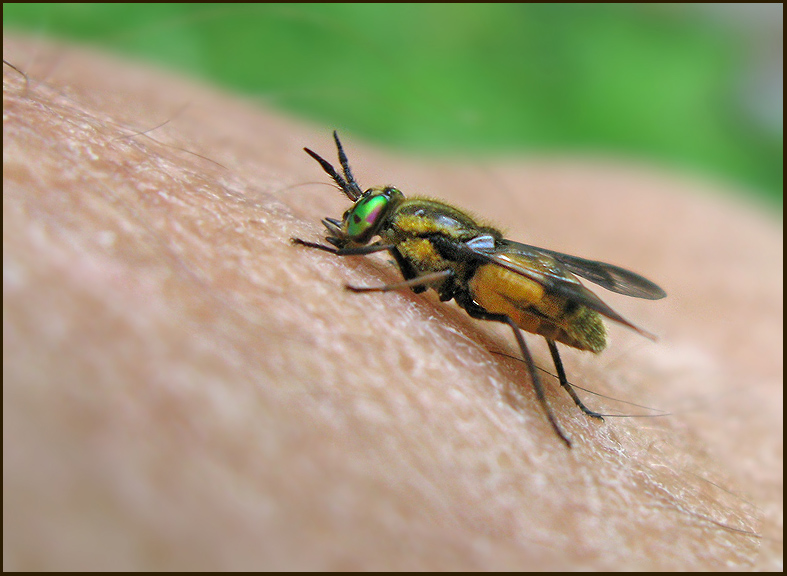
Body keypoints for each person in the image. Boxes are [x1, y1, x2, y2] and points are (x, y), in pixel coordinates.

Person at [3, 36, 781, 569]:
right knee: (508, 297)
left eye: (366, 218)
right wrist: (348, 245)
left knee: (522, 306)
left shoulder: (431, 243)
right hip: (495, 270)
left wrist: (358, 269)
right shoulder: (413, 232)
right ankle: (564, 390)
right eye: (363, 216)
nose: (362, 220)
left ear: (397, 227)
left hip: (515, 283)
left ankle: (559, 397)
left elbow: (488, 284)